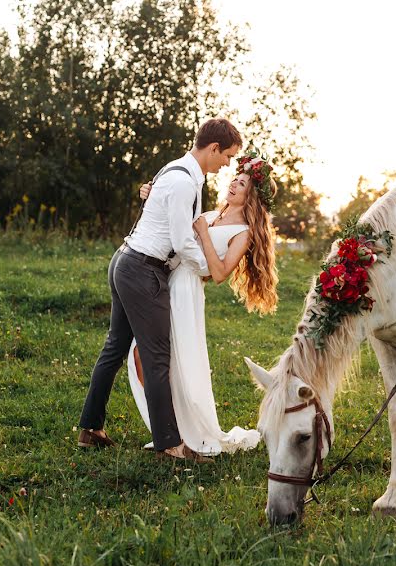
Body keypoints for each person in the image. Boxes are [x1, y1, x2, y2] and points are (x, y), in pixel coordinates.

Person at [77, 118, 242, 463]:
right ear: (213, 149)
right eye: (226, 156)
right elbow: (182, 241)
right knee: (157, 359)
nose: (227, 163)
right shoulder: (186, 183)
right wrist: (207, 268)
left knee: (115, 347)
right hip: (142, 271)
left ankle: (90, 428)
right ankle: (170, 442)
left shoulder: (175, 169)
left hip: (125, 260)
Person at [127, 149, 279, 456]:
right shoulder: (211, 215)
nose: (233, 184)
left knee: (175, 361)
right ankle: (168, 426)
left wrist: (203, 235)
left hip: (186, 290)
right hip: (166, 279)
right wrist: (151, 194)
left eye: (242, 183)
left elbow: (220, 273)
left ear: (252, 197)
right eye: (235, 179)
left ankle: (184, 432)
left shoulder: (243, 233)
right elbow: (177, 227)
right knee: (141, 355)